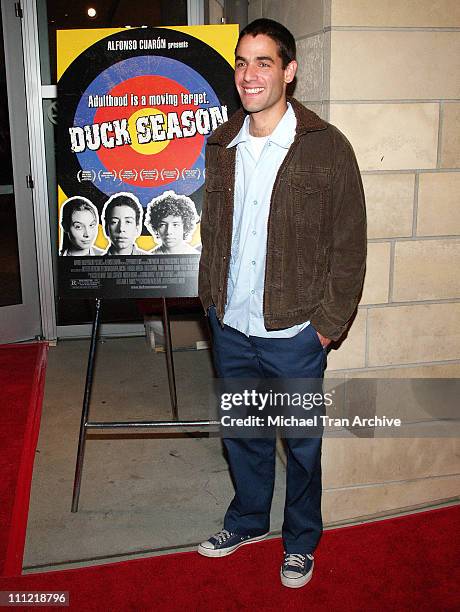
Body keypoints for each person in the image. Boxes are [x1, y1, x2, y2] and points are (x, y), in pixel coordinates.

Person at [198, 19, 366, 589]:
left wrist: (325, 327)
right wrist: (212, 305)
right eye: (242, 63)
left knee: (300, 445)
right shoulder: (221, 145)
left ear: (289, 72)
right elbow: (217, 232)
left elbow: (349, 244)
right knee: (242, 433)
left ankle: (300, 541)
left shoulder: (327, 147)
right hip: (231, 325)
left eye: (263, 63)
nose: (249, 75)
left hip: (295, 332)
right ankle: (246, 521)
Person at [145, 190, 199, 254]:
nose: (168, 232)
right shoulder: (150, 257)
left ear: (185, 227)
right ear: (156, 228)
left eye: (175, 225)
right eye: (162, 225)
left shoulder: (195, 255)